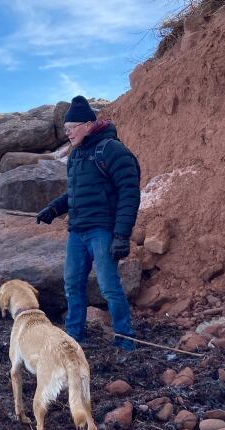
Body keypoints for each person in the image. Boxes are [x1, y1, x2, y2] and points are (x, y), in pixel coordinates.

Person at [36, 96, 141, 351]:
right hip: (77, 232)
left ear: (88, 124)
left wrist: (121, 235)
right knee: (72, 285)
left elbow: (129, 193)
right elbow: (74, 194)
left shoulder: (112, 150)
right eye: (66, 128)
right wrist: (53, 209)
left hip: (102, 231)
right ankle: (73, 335)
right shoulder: (75, 156)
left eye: (71, 127)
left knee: (109, 287)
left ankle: (125, 339)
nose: (67, 132)